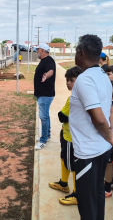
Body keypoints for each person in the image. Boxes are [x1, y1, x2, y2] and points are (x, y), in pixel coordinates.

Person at [70, 34, 113, 220]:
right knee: (97, 194)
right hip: (100, 149)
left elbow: (100, 120)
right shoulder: (103, 75)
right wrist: (111, 132)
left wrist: (109, 135)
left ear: (81, 52)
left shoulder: (85, 79)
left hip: (89, 152)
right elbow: (109, 108)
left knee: (87, 202)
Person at [49, 66, 82, 205]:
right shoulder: (78, 96)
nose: (68, 83)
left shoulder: (74, 98)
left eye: (72, 80)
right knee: (64, 158)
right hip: (67, 133)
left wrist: (62, 115)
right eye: (67, 80)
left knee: (73, 165)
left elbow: (62, 116)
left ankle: (77, 194)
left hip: (71, 137)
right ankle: (63, 183)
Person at [34, 43, 56, 150]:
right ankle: (47, 134)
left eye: (38, 50)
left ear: (42, 51)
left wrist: (46, 76)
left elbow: (50, 71)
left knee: (43, 117)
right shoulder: (44, 61)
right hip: (42, 93)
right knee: (46, 116)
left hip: (45, 94)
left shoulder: (49, 61)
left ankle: (43, 140)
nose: (37, 51)